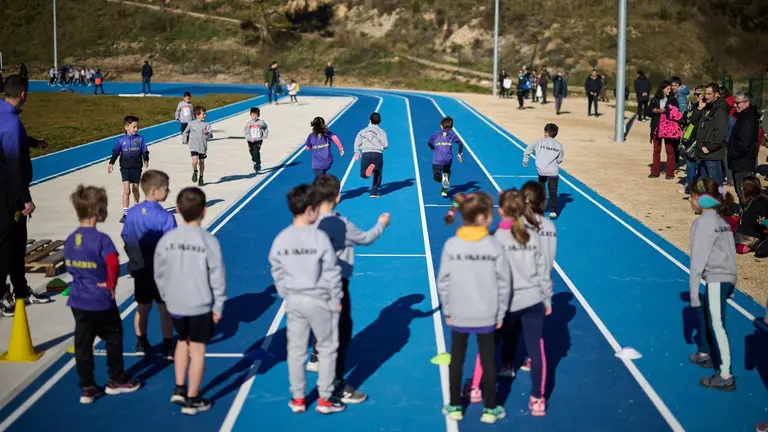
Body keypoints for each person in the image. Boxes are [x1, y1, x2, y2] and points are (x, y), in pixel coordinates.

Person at [304, 174, 389, 404]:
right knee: (341, 335)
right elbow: (365, 238)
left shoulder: (307, 222)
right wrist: (381, 224)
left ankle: (315, 356)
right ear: (337, 197)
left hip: (311, 284)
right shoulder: (340, 223)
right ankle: (336, 386)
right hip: (336, 285)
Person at [268, 184, 346, 414]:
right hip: (320, 300)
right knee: (327, 348)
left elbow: (276, 270)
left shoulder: (281, 238)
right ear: (311, 210)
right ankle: (324, 398)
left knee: (296, 352)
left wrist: (285, 293)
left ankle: (299, 398)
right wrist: (337, 297)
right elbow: (332, 270)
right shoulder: (319, 238)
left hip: (294, 301)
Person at [437, 192, 510, 424]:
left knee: (456, 359)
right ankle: (490, 409)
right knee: (488, 361)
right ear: (482, 218)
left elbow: (443, 282)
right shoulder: (494, 245)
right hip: (486, 314)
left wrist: (448, 310)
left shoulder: (451, 245)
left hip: (459, 312)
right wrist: (500, 313)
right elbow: (504, 283)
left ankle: (455, 406)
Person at [65, 185, 141, 403]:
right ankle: (117, 379)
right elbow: (112, 263)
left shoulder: (71, 239)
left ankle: (87, 386)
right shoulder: (101, 240)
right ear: (99, 212)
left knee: (83, 342)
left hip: (78, 299)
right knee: (113, 336)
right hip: (99, 299)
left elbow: (70, 266)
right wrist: (110, 287)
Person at [155, 187, 227, 415]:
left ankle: (179, 387)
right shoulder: (208, 241)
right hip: (199, 304)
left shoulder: (167, 239)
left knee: (182, 342)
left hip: (175, 304)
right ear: (204, 211)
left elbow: (159, 272)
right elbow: (218, 276)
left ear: (177, 210)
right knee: (197, 350)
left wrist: (166, 297)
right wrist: (218, 306)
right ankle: (193, 398)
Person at [496, 188, 552, 416]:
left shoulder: (499, 237)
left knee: (502, 338)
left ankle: (505, 367)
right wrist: (547, 299)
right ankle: (538, 399)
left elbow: (497, 275)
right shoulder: (534, 234)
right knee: (536, 350)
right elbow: (543, 270)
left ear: (502, 211)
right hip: (534, 299)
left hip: (510, 300)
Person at [0, 75, 52, 317]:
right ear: (22, 94)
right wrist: (25, 199)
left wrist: (32, 142)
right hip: (8, 194)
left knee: (19, 243)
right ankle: (2, 296)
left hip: (10, 192)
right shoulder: (11, 123)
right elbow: (12, 164)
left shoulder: (5, 114)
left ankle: (21, 290)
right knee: (6, 245)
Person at [687, 177, 737, 392]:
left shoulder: (702, 223)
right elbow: (731, 252)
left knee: (717, 324)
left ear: (700, 198)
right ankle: (706, 353)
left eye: (691, 196)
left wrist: (693, 291)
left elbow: (698, 260)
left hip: (716, 278)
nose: (689, 200)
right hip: (726, 276)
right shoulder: (721, 221)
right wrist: (733, 281)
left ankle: (725, 375)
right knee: (711, 318)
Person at [121, 170, 177, 359]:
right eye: (166, 188)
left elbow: (126, 238)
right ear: (154, 191)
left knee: (142, 307)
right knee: (165, 310)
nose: (168, 191)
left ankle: (141, 342)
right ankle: (168, 345)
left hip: (140, 269)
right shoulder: (166, 217)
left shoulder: (132, 214)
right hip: (161, 271)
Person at [108, 115, 149, 223]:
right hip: (125, 168)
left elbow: (144, 151)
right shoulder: (121, 140)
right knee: (127, 190)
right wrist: (111, 163)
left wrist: (146, 159)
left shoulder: (140, 139)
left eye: (137, 127)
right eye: (134, 127)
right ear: (126, 127)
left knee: (135, 189)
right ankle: (126, 213)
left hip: (136, 168)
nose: (136, 129)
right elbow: (116, 152)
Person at [523, 123, 564, 219]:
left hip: (541, 171)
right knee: (553, 191)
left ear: (546, 133)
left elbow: (528, 149)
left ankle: (539, 208)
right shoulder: (559, 145)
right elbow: (560, 160)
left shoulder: (538, 142)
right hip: (553, 172)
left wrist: (525, 160)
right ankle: (553, 211)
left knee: (541, 189)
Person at [691, 83, 729, 186]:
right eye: (705, 94)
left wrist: (709, 147)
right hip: (702, 151)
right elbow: (693, 121)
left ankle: (720, 200)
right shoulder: (707, 107)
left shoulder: (720, 110)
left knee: (716, 183)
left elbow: (720, 133)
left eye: (709, 94)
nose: (706, 96)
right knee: (703, 183)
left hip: (712, 153)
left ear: (716, 94)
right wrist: (699, 109)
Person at [727, 91, 760, 206]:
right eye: (735, 103)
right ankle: (744, 215)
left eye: (738, 103)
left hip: (743, 162)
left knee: (745, 194)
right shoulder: (743, 116)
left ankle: (747, 219)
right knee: (741, 193)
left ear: (747, 103)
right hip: (740, 161)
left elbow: (744, 144)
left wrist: (733, 154)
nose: (735, 105)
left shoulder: (748, 119)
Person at [646, 80, 682, 180]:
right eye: (668, 88)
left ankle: (670, 173)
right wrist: (655, 110)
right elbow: (647, 112)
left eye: (670, 88)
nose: (670, 90)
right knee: (656, 150)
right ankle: (655, 172)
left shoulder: (673, 100)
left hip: (668, 128)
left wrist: (666, 111)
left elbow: (676, 113)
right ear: (662, 89)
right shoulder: (654, 99)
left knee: (670, 150)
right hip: (656, 127)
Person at [353, 112, 388, 197]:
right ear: (379, 121)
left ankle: (366, 173)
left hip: (366, 153)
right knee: (378, 173)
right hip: (377, 154)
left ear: (370, 120)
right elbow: (386, 144)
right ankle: (373, 192)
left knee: (363, 174)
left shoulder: (363, 131)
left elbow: (357, 142)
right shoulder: (381, 131)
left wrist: (357, 152)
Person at [428, 116, 464, 197]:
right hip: (448, 160)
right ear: (451, 127)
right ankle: (444, 189)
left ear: (441, 125)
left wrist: (432, 147)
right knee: (446, 173)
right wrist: (459, 153)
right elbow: (460, 143)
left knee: (436, 177)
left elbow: (429, 143)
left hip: (437, 160)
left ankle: (443, 179)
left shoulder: (436, 134)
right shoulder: (452, 135)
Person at [733, 176, 768, 257]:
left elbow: (763, 221)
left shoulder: (761, 203)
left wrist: (763, 221)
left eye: (743, 186)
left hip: (753, 236)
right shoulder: (749, 201)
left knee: (757, 252)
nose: (741, 188)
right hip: (746, 232)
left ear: (748, 188)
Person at [182, 106, 213, 187]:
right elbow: (185, 132)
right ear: (197, 115)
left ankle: (201, 177)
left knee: (201, 162)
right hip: (193, 146)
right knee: (195, 161)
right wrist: (185, 139)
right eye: (203, 114)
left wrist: (207, 133)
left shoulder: (206, 124)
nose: (205, 115)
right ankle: (195, 171)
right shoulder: (191, 124)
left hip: (202, 147)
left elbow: (210, 136)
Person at [243, 107, 269, 173]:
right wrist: (250, 138)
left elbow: (265, 128)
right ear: (250, 115)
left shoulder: (261, 122)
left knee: (256, 151)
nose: (254, 117)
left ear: (258, 115)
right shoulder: (249, 124)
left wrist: (265, 134)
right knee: (252, 152)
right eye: (253, 115)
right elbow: (246, 133)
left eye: (256, 115)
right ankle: (254, 161)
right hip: (250, 141)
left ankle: (258, 164)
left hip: (258, 140)